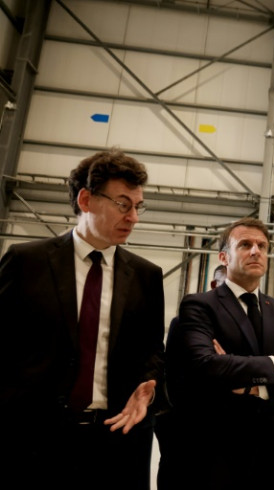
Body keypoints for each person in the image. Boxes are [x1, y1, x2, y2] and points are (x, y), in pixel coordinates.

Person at [0, 149, 165, 490]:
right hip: (32, 441)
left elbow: (152, 350)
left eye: (138, 206)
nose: (133, 217)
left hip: (115, 441)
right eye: (123, 203)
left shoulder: (147, 276)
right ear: (86, 199)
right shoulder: (25, 261)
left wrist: (148, 388)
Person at [165, 217, 274, 489]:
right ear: (224, 256)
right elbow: (207, 365)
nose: (256, 251)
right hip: (218, 449)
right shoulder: (200, 306)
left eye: (262, 245)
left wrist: (254, 388)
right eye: (245, 244)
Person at [156, 263, 228, 489]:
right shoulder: (185, 323)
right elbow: (174, 373)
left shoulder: (246, 327)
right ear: (214, 285)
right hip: (185, 425)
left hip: (227, 427)